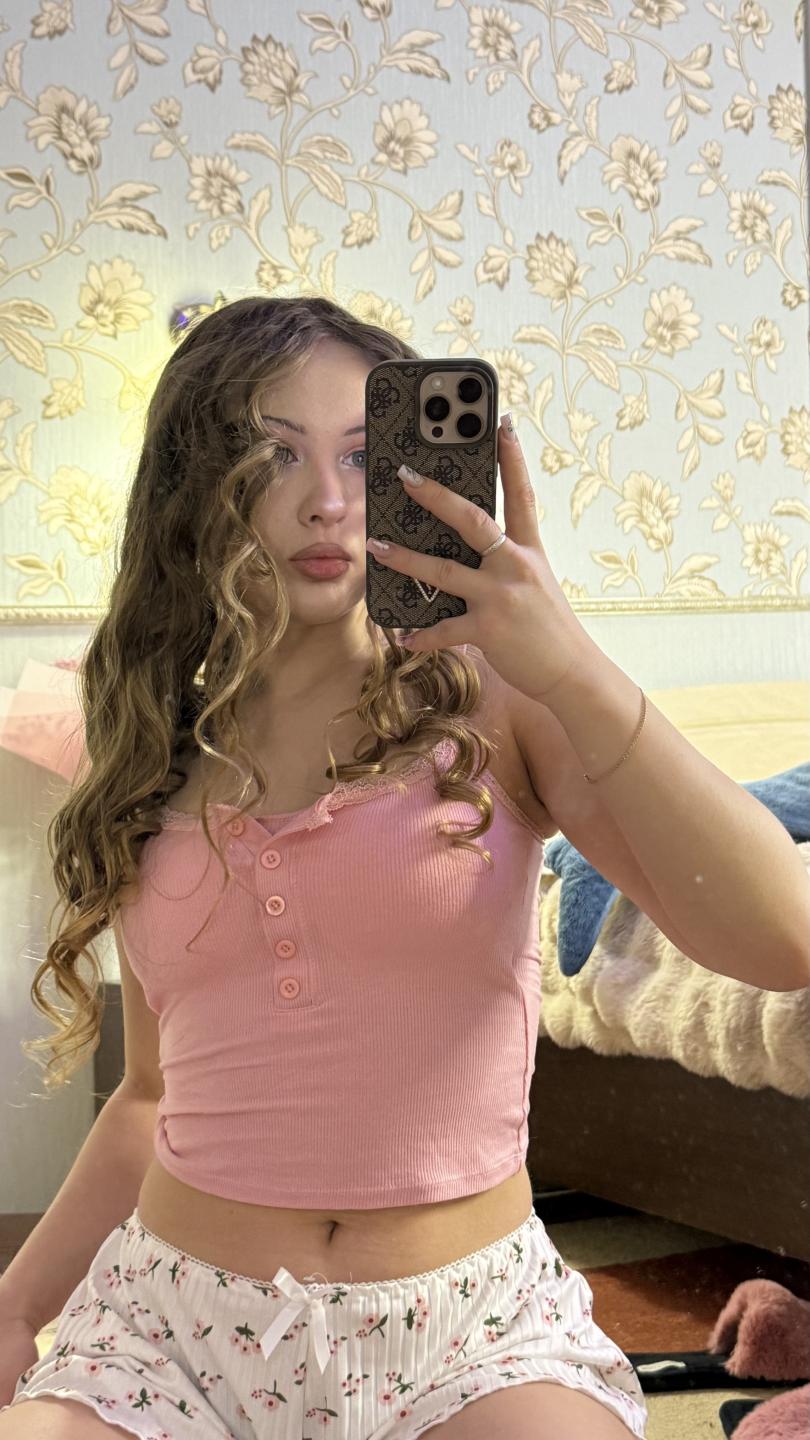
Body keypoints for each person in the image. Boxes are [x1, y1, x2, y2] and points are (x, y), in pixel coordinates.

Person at [0, 296, 648, 1438]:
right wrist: (17, 1305)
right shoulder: (153, 745)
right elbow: (150, 1093)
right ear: (196, 486)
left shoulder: (502, 701)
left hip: (466, 1330)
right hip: (172, 1329)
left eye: (360, 456)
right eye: (274, 454)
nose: (328, 503)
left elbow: (779, 930)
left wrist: (569, 657)